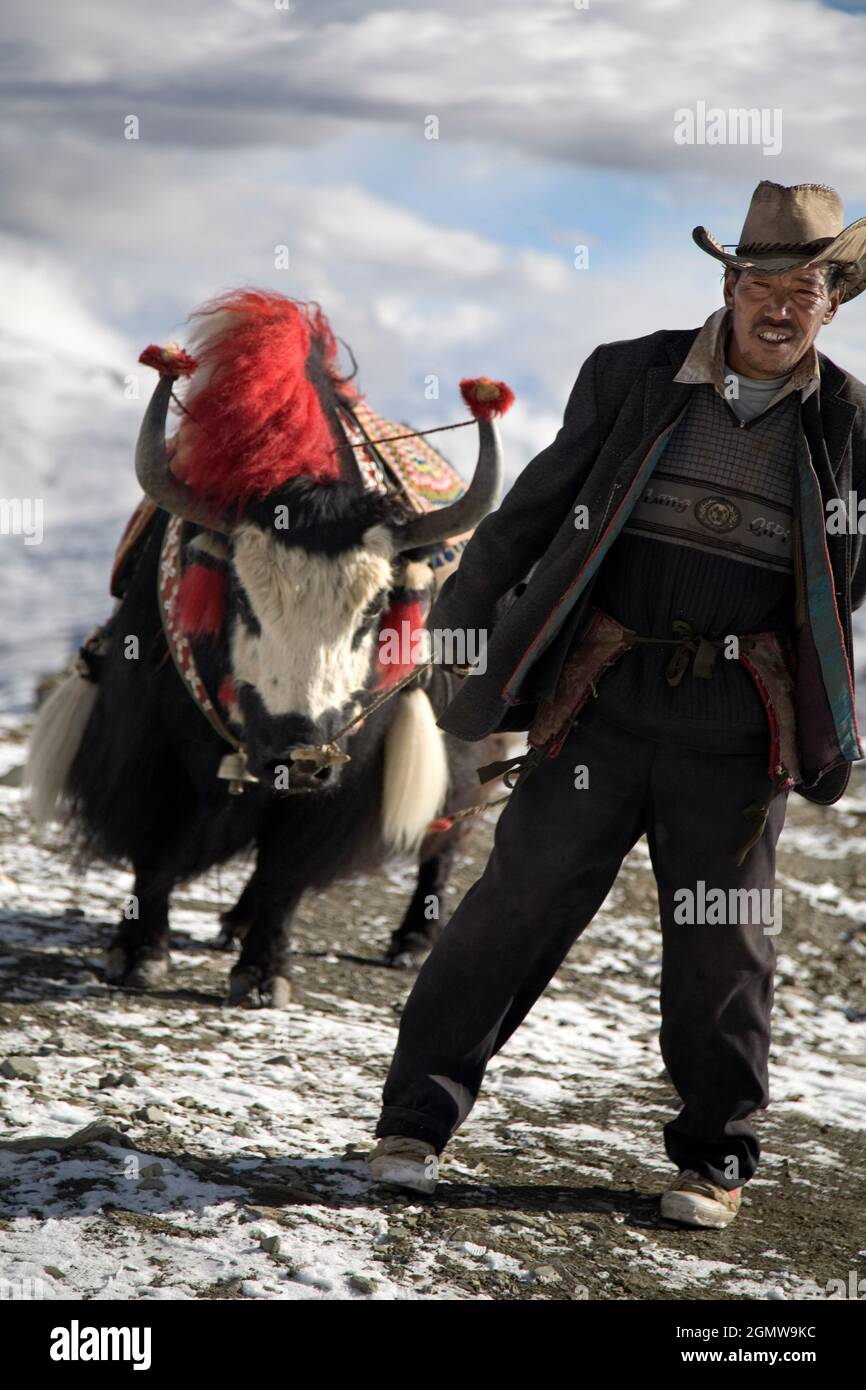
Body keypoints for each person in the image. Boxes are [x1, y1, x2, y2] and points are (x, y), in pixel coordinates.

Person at [367, 181, 866, 1228]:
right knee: (509, 910)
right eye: (761, 284)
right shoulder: (629, 372)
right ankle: (412, 1122)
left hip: (737, 730)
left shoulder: (851, 420)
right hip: (596, 703)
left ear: (834, 302)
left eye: (804, 290)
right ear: (727, 286)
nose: (779, 308)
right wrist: (458, 647)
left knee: (722, 946)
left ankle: (711, 1159)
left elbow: (843, 579)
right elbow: (524, 521)